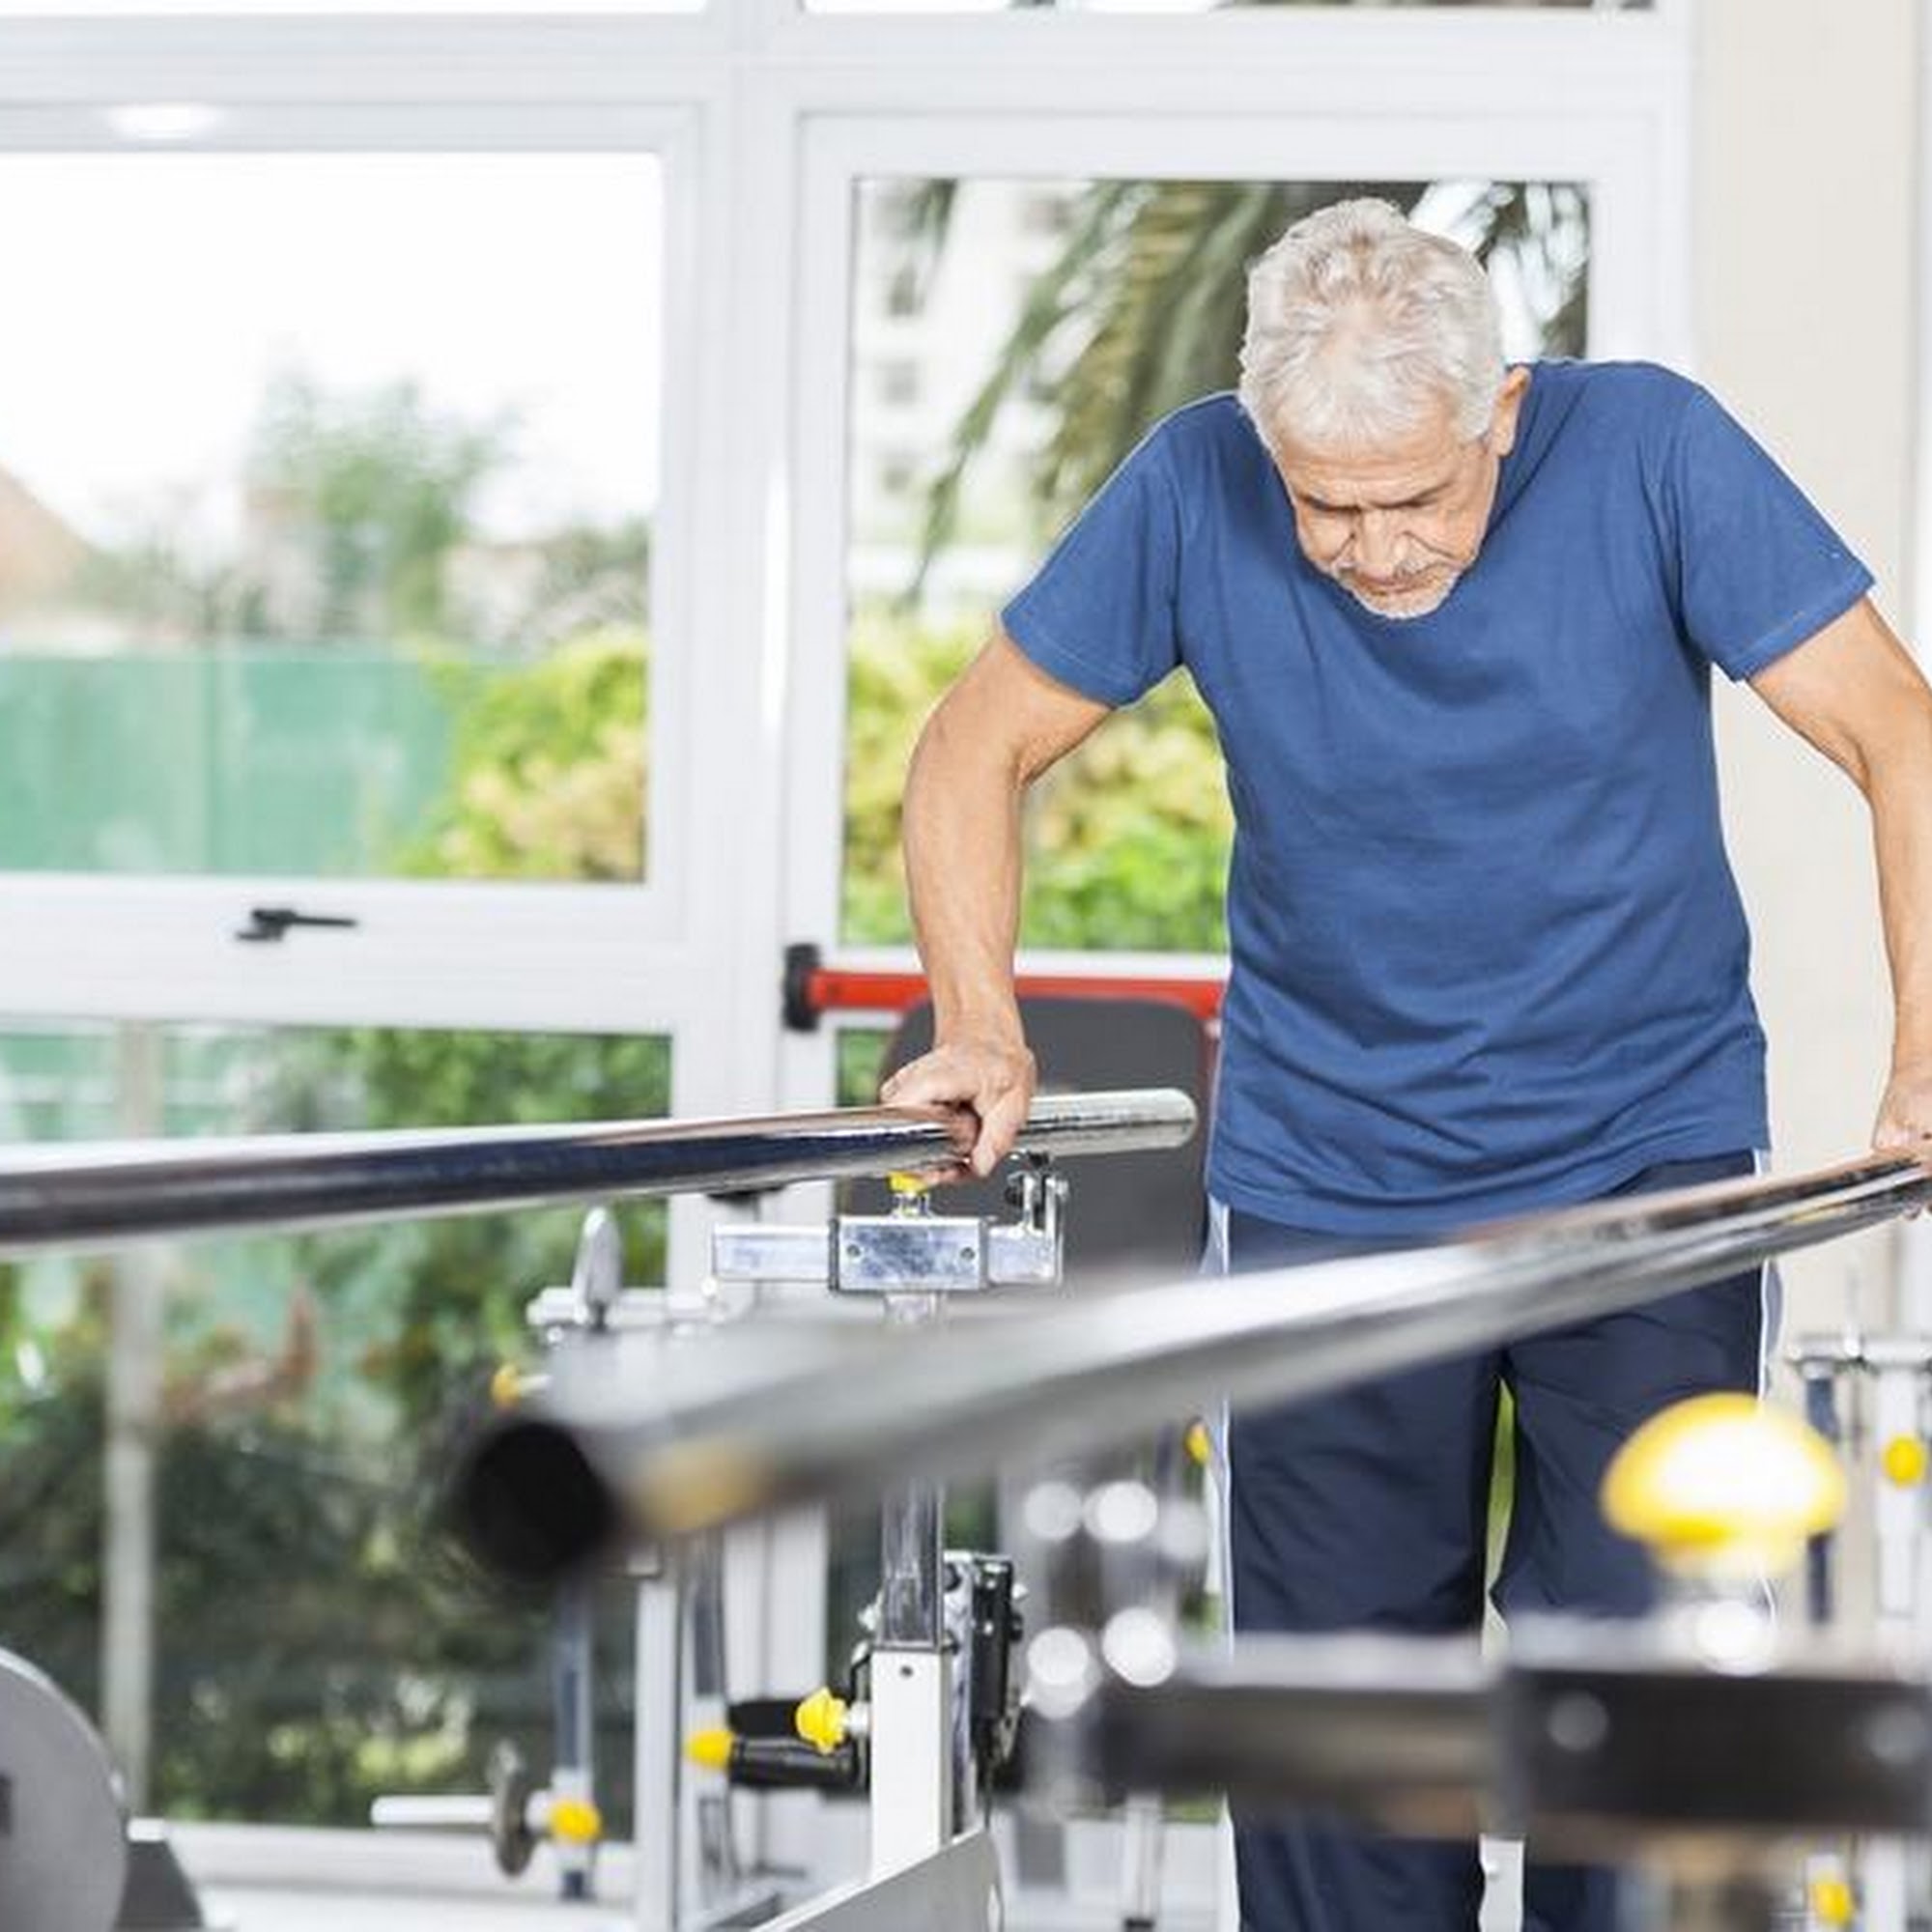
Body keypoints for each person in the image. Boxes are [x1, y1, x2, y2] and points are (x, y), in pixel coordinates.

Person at [880, 197, 1932, 1931]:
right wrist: (979, 1016)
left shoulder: (1651, 448)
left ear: (1498, 409)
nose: (1370, 552)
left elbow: (1896, 728)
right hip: (1325, 1184)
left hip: (1640, 1175)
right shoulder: (1192, 478)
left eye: (1415, 500)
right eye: (1325, 508)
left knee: (1634, 1709)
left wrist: (1919, 1047)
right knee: (1337, 1739)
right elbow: (969, 748)